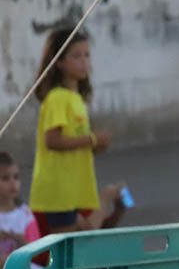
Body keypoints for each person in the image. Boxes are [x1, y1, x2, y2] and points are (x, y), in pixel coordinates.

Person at [29, 28, 125, 236]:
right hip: (58, 190)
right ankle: (106, 198)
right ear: (59, 62)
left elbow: (76, 145)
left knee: (80, 239)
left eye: (87, 55)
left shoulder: (76, 99)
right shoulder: (57, 98)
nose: (84, 61)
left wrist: (97, 145)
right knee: (71, 245)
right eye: (76, 55)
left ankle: (109, 201)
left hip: (73, 189)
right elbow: (52, 141)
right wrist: (92, 139)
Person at [0, 151, 41, 269]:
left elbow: (37, 249)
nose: (13, 183)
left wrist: (19, 239)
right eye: (5, 178)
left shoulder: (25, 214)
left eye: (16, 177)